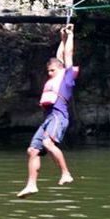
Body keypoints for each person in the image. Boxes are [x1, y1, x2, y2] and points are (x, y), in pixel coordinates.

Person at [17, 24, 78, 198]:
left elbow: (67, 56)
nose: (49, 73)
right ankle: (31, 185)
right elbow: (59, 56)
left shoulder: (67, 78)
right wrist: (62, 38)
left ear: (60, 69)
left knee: (48, 144)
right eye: (48, 71)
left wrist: (71, 36)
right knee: (32, 150)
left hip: (59, 117)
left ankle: (66, 173)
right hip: (48, 118)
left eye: (52, 70)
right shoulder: (57, 73)